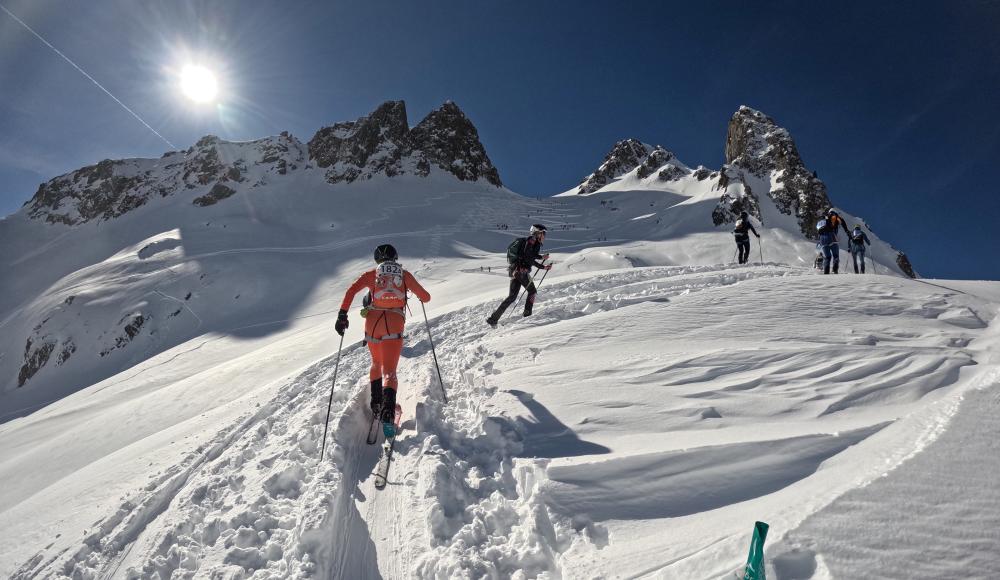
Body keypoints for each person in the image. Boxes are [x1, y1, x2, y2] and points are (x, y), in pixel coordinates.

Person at [335, 244, 430, 436]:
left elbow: (351, 291)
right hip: (394, 323)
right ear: (395, 257)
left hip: (372, 323)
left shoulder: (372, 274)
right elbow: (426, 297)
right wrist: (412, 293)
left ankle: (376, 404)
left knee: (376, 363)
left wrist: (342, 315)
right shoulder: (404, 275)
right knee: (390, 373)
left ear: (377, 259)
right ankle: (388, 416)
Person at [486, 224, 552, 326]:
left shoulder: (531, 241)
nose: (544, 236)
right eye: (543, 233)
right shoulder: (532, 240)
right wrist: (543, 267)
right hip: (521, 271)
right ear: (537, 232)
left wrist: (541, 257)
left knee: (512, 297)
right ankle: (527, 315)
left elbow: (528, 255)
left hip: (514, 270)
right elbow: (528, 257)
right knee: (532, 291)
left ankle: (493, 319)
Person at [816, 208, 851, 274]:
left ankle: (826, 272)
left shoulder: (822, 220)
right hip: (831, 237)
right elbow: (842, 221)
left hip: (822, 240)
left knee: (827, 257)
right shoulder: (834, 216)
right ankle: (835, 270)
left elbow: (819, 231)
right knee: (835, 256)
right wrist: (847, 231)